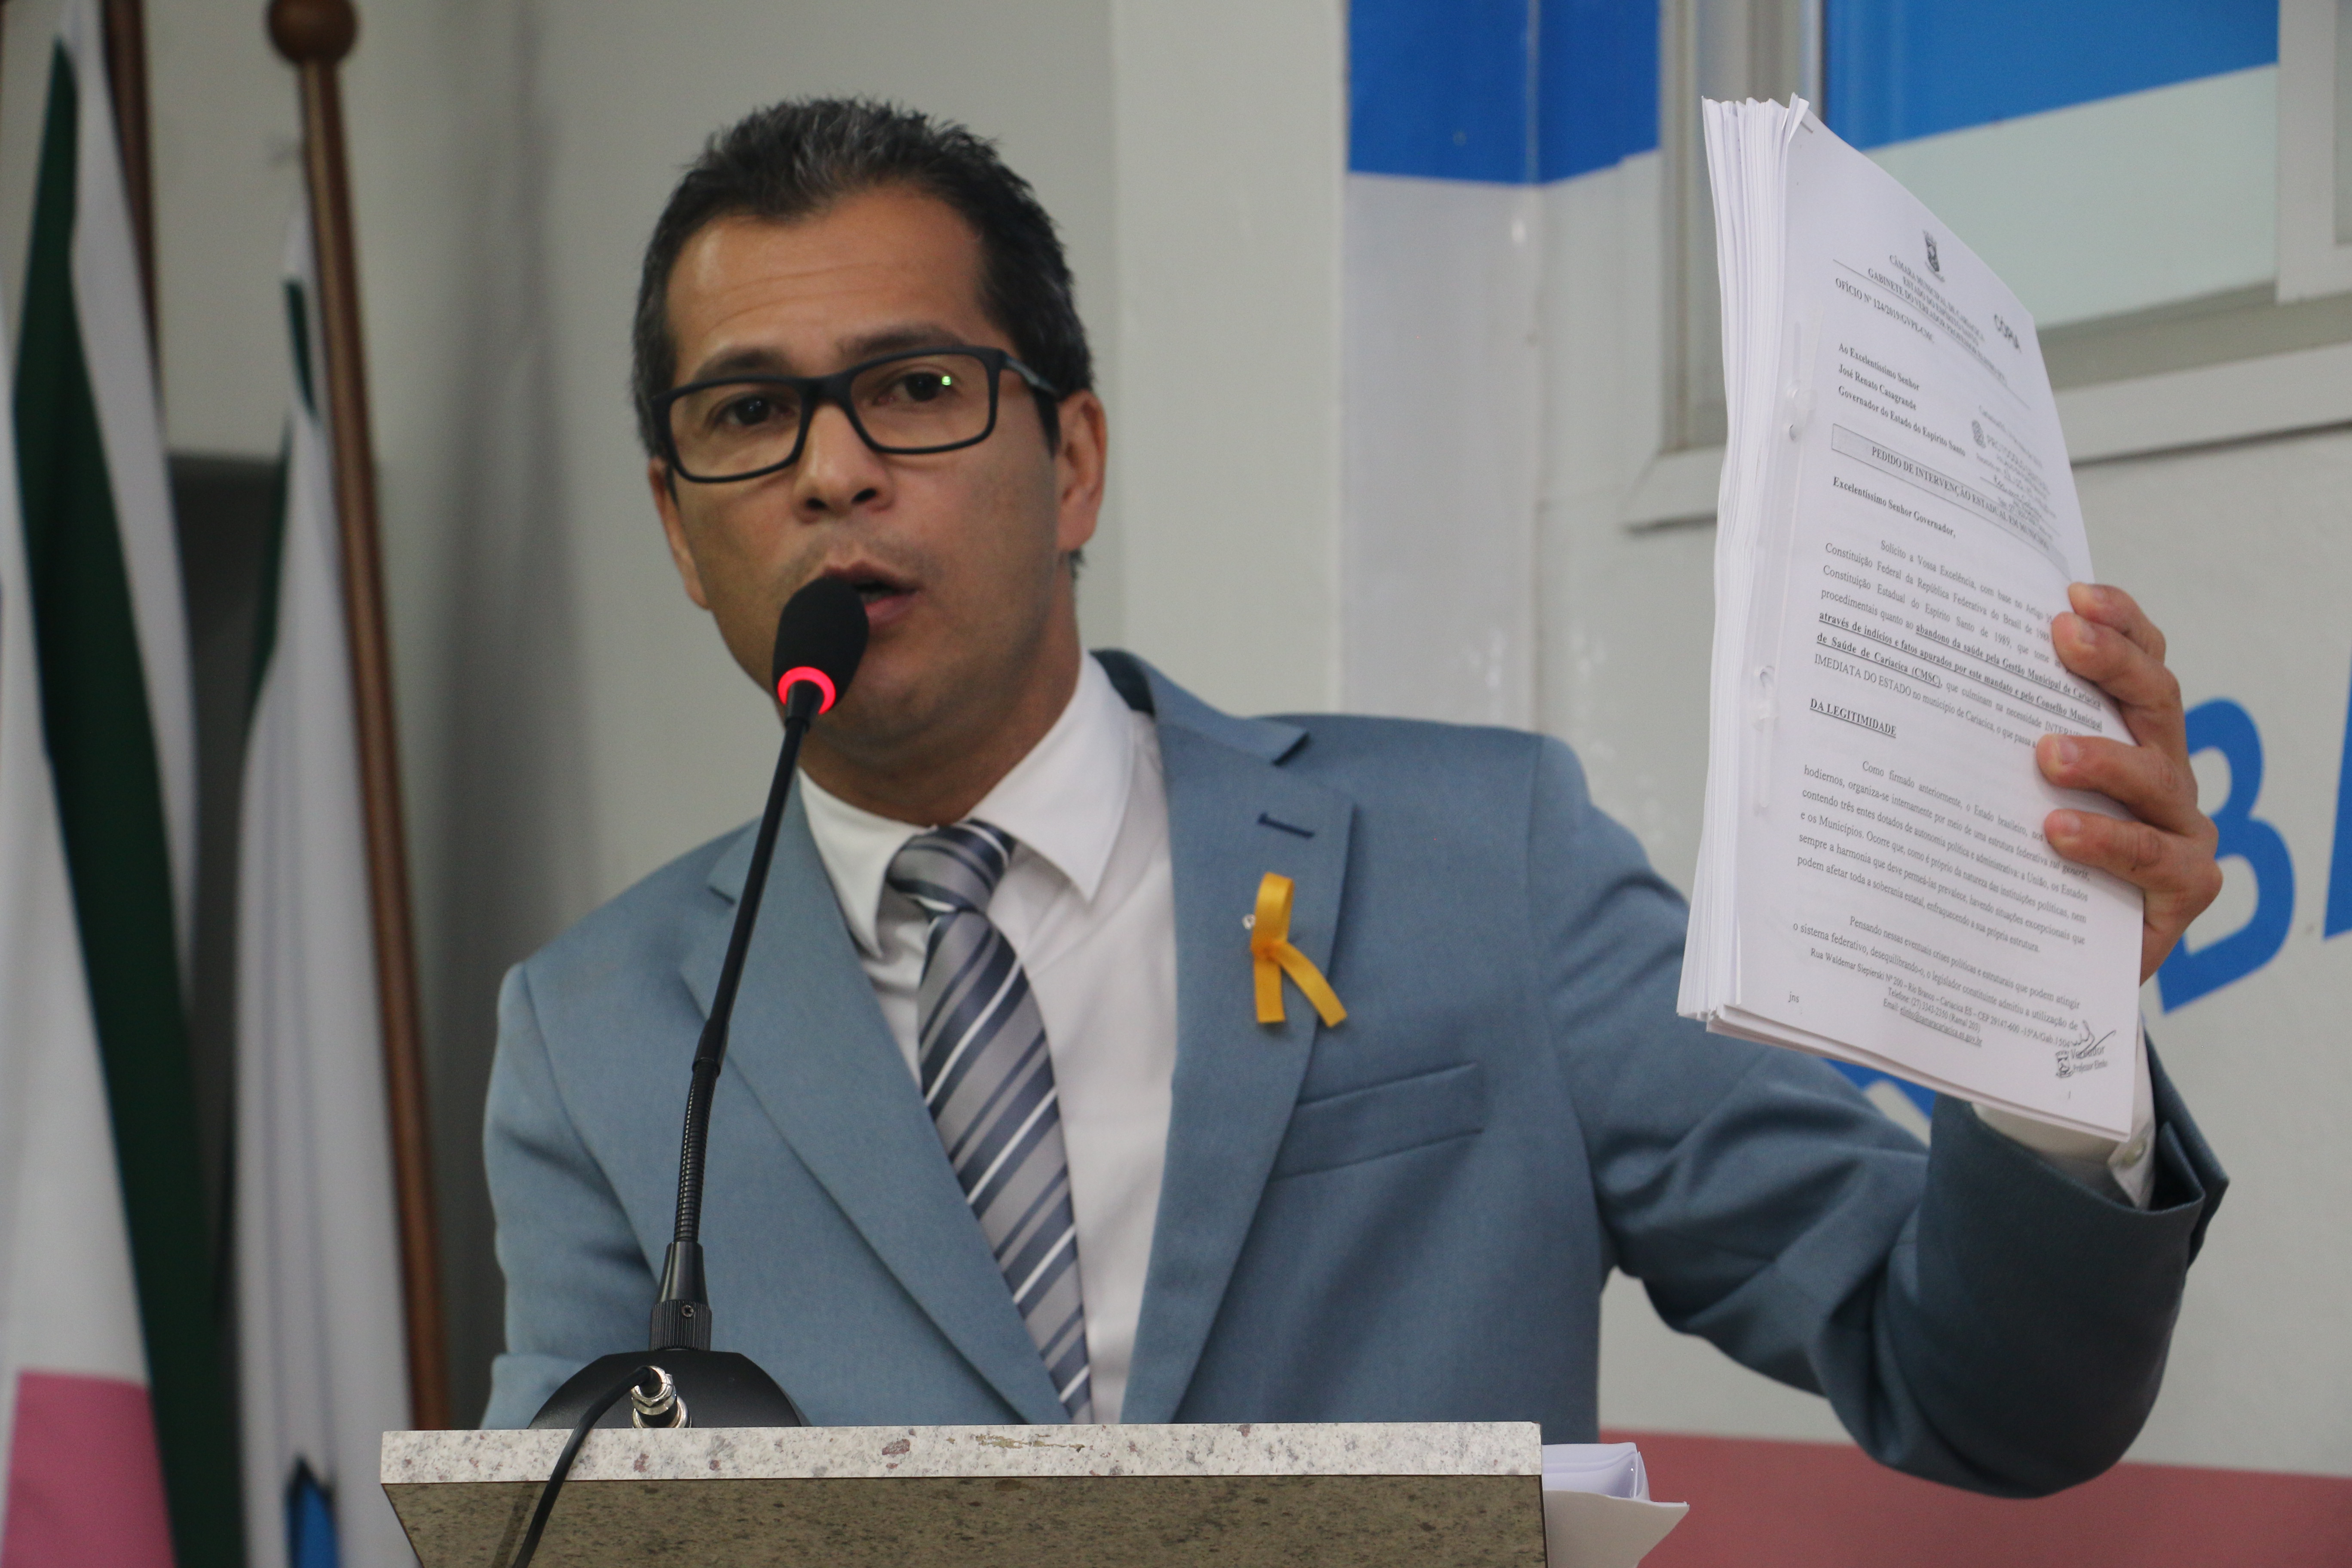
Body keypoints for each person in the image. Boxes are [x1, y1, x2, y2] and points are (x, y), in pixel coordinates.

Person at [481, 98, 2225, 1494]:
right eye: (749, 417)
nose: (833, 471)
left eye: (915, 389)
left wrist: (2047, 1017)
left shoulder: (1483, 864)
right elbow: (550, 1529)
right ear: (679, 529)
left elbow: (1979, 1392)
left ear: (1072, 462)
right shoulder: (601, 1037)